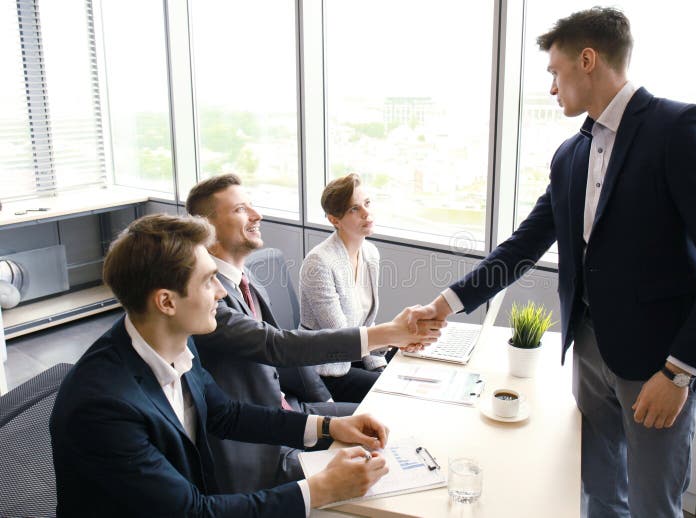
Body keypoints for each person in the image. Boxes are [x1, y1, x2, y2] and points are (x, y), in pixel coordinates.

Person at [409, 7, 696, 517]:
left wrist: (679, 373)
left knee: (653, 504)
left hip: (658, 366)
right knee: (596, 493)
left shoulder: (678, 128)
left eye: (554, 71)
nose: (551, 88)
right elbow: (524, 244)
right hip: (589, 351)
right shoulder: (570, 155)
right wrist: (446, 303)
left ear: (587, 59)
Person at [49, 214, 392, 517]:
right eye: (208, 280)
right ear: (166, 301)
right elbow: (192, 512)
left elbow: (226, 414)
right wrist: (322, 489)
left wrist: (329, 427)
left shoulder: (174, 341)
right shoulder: (103, 407)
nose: (220, 292)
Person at [186, 173, 440, 493]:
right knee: (376, 461)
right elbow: (277, 346)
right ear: (206, 229)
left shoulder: (246, 278)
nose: (257, 215)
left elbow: (278, 358)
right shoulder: (207, 298)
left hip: (289, 410)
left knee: (387, 425)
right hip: (258, 442)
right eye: (240, 209)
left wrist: (325, 403)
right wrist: (388, 333)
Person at [299, 173, 387, 403]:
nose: (367, 213)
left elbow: (367, 321)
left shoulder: (370, 253)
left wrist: (380, 360)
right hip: (329, 367)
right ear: (334, 220)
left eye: (367, 204)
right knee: (391, 391)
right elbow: (341, 336)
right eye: (354, 209)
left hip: (358, 354)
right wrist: (394, 335)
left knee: (409, 372)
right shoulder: (319, 262)